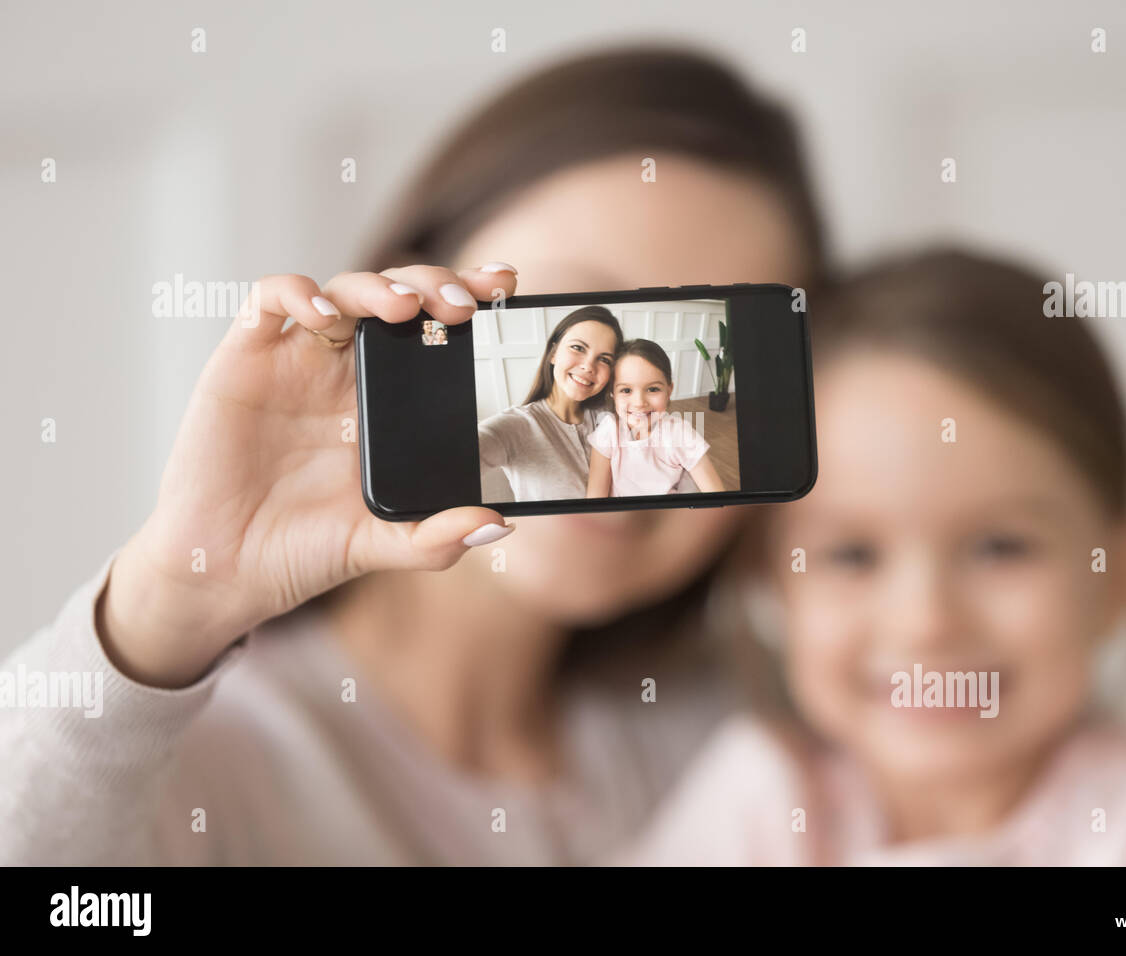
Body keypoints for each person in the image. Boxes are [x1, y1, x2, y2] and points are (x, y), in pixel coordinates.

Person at [0, 47, 828, 865]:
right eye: (577, 312)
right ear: (436, 286)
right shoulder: (209, 759)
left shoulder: (749, 749)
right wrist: (172, 601)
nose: (616, 391)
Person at [615, 249, 1126, 866]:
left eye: (1001, 547)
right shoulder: (762, 800)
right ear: (770, 578)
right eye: (852, 555)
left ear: (1121, 571)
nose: (926, 621)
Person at [479, 306, 622, 502]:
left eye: (604, 359)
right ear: (553, 353)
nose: (588, 366)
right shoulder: (517, 425)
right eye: (578, 348)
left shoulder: (612, 418)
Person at [586, 339, 724, 498]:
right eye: (626, 390)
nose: (639, 403)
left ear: (669, 390)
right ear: (613, 393)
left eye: (653, 389)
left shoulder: (680, 433)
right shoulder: (608, 431)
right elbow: (595, 499)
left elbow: (717, 496)